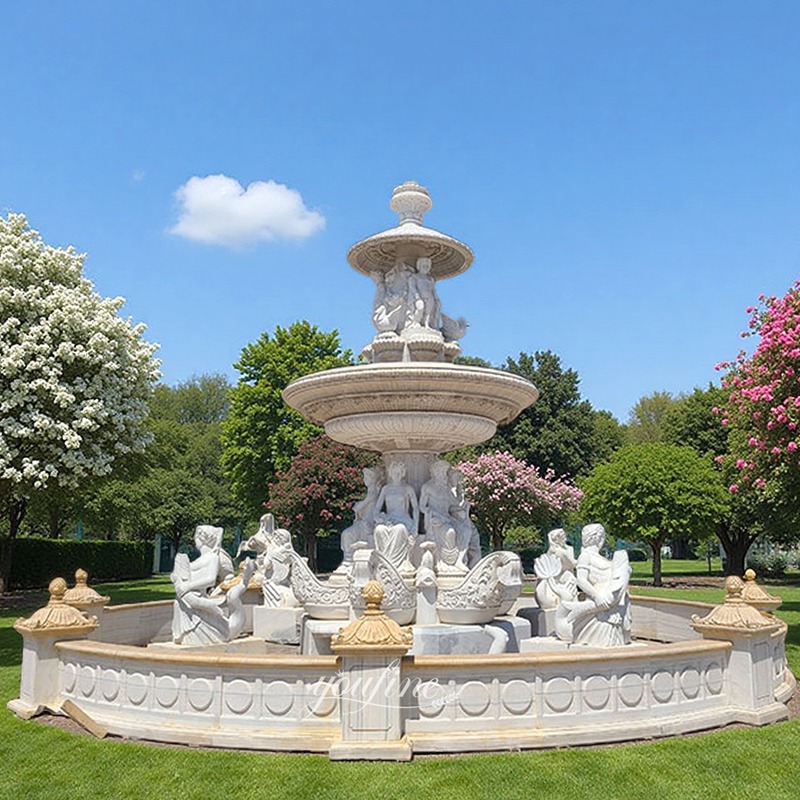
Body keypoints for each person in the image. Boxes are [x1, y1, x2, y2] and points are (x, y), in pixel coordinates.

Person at [170, 525, 254, 645]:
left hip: (196, 602)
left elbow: (210, 580)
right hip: (186, 601)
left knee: (200, 634)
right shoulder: (201, 558)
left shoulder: (212, 557)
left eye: (196, 536)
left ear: (202, 538)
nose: (195, 540)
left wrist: (188, 586)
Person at [569, 523, 631, 647]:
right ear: (599, 538)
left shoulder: (600, 557)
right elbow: (581, 580)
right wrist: (597, 596)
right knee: (605, 641)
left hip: (612, 605)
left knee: (614, 642)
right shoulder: (585, 556)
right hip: (600, 606)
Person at [373, 461, 418, 574]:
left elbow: (416, 508)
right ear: (390, 473)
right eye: (394, 472)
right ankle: (384, 562)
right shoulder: (386, 489)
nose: (396, 475)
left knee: (400, 529)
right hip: (389, 520)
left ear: (403, 473)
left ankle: (397, 564)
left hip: (404, 520)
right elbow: (376, 509)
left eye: (398, 472)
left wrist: (415, 528)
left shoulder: (407, 488)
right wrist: (378, 518)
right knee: (379, 530)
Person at [407, 256, 441, 329]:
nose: (426, 267)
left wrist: (436, 299)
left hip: (430, 296)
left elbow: (433, 289)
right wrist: (417, 296)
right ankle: (416, 322)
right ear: (419, 266)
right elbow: (413, 287)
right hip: (419, 296)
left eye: (428, 266)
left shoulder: (430, 279)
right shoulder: (414, 277)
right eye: (424, 265)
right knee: (420, 308)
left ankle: (427, 324)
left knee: (428, 311)